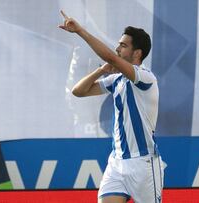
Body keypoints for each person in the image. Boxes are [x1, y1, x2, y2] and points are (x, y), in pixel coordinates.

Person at [58, 10, 164, 203]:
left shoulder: (146, 78)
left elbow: (112, 58)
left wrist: (80, 31)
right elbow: (78, 91)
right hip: (116, 163)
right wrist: (102, 70)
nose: (117, 49)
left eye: (123, 45)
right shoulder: (116, 80)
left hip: (144, 164)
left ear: (137, 53)